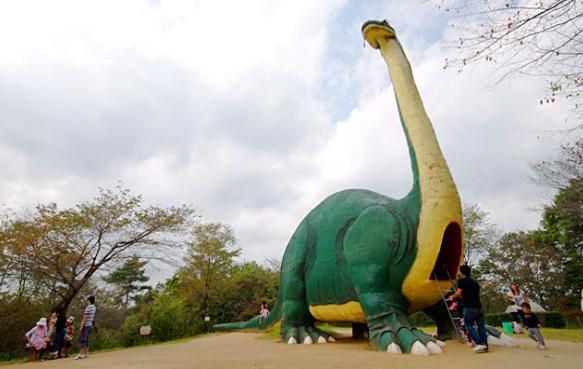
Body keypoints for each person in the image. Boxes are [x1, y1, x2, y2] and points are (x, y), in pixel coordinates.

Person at [448, 264, 488, 353]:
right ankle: (485, 345)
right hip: (479, 307)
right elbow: (476, 295)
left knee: (468, 325)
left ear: (462, 272)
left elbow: (459, 293)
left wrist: (452, 297)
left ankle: (479, 343)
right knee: (481, 326)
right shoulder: (475, 282)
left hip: (469, 307)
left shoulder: (462, 281)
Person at [76, 295, 96, 360]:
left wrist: (82, 325)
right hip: (90, 325)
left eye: (87, 300)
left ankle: (81, 354)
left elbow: (85, 317)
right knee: (86, 339)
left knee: (82, 339)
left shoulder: (88, 307)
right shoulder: (94, 307)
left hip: (86, 325)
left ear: (89, 301)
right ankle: (86, 354)